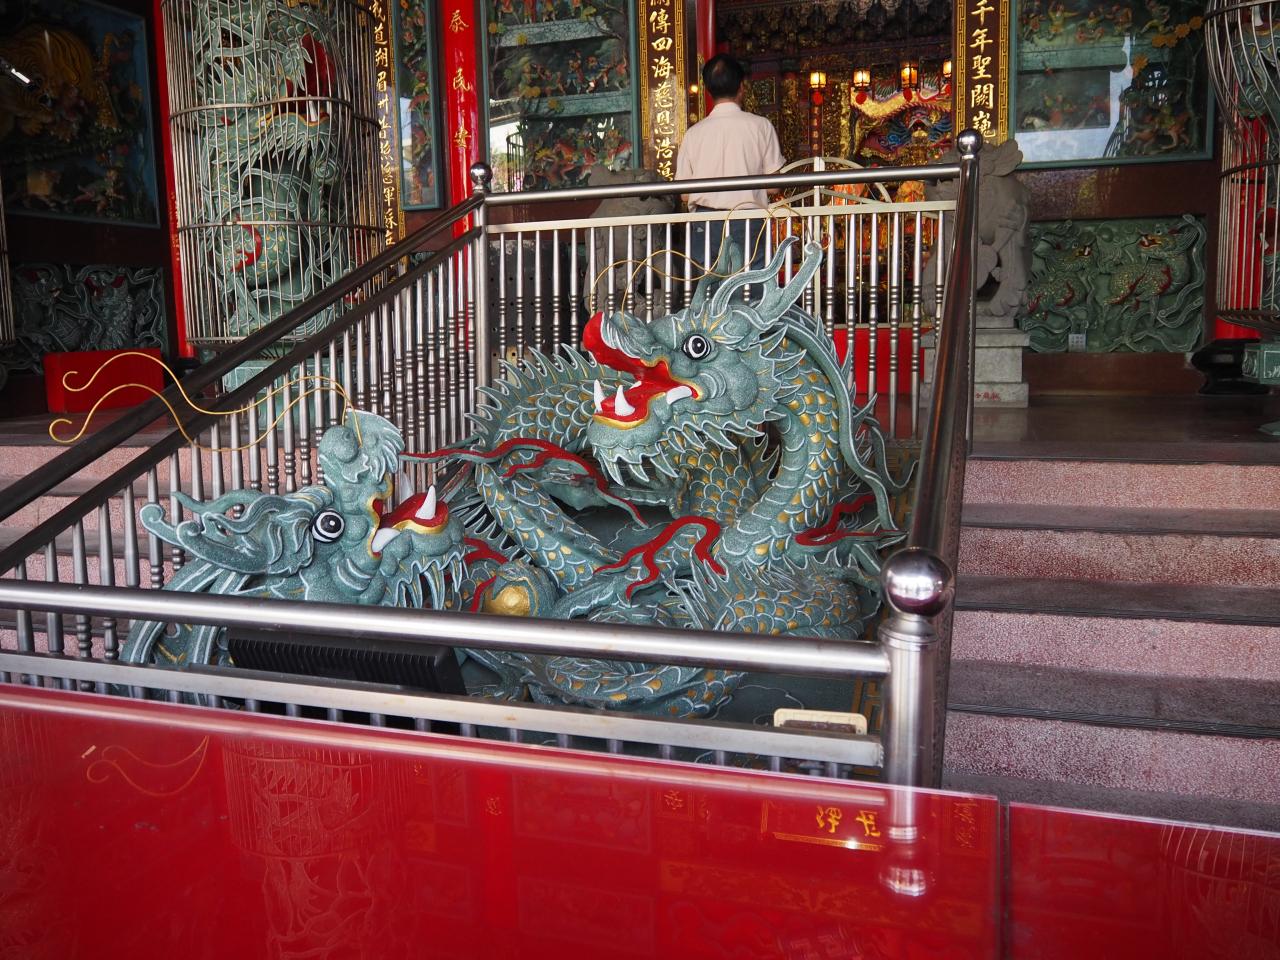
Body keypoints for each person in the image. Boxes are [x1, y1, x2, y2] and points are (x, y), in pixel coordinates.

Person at [675, 54, 784, 272]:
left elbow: (684, 194)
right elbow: (774, 187)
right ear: (742, 87)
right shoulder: (761, 126)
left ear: (708, 90)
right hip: (749, 221)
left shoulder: (693, 134)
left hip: (706, 223)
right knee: (752, 283)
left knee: (710, 286)